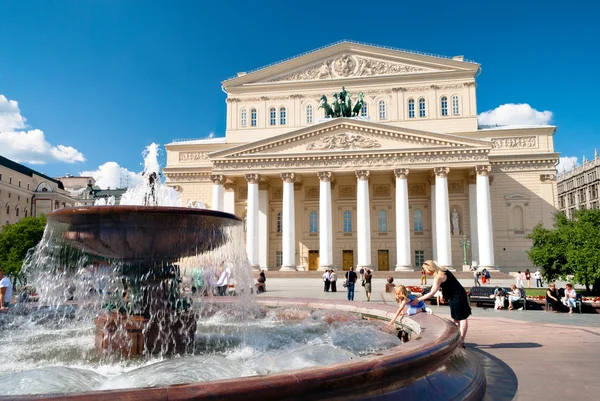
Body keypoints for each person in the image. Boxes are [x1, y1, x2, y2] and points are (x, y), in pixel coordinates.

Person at [416, 260, 471, 348]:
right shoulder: (443, 271)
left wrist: (418, 299)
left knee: (462, 318)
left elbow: (432, 292)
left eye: (426, 271)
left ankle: (461, 341)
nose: (425, 273)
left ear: (430, 268)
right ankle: (458, 338)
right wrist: (442, 293)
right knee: (456, 318)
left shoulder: (439, 276)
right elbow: (448, 283)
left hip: (458, 295)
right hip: (454, 295)